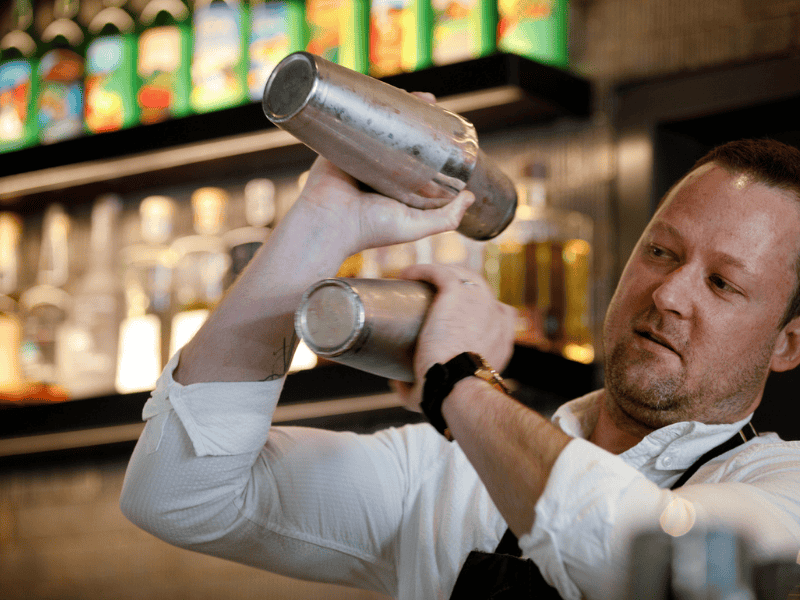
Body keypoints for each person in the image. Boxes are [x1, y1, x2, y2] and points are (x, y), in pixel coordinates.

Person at [120, 138, 800, 600]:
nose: (670, 293)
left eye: (723, 284)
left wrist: (458, 383)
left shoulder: (783, 492)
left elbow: (641, 556)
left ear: (788, 344)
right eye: (660, 252)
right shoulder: (441, 474)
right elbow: (178, 494)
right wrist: (320, 223)